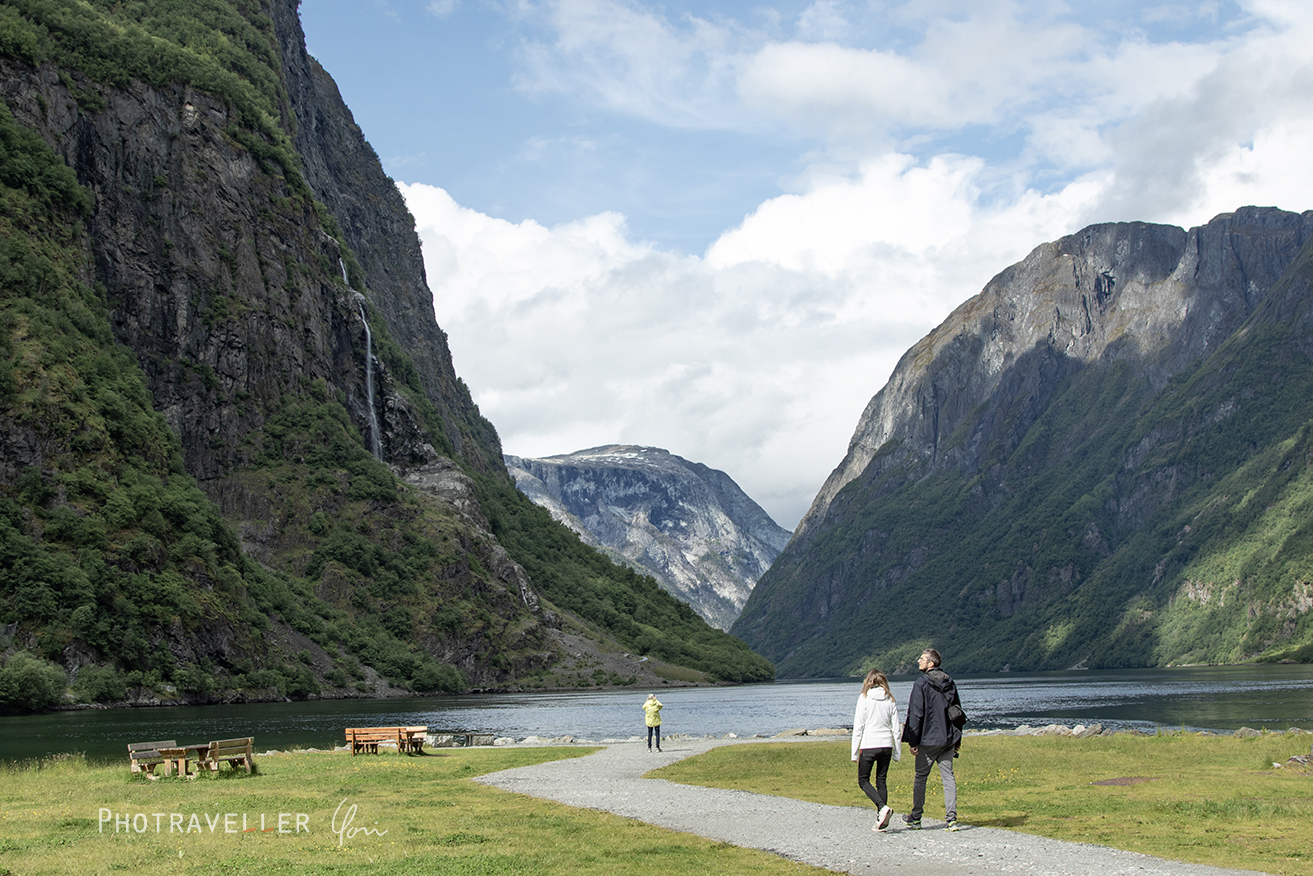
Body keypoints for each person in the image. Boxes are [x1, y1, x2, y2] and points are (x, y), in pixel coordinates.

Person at [901, 648, 963, 831]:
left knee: (921, 777)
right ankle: (951, 819)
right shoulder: (950, 682)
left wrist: (913, 741)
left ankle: (916, 817)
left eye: (922, 658)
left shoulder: (921, 684)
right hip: (948, 738)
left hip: (928, 740)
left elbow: (916, 714)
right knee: (948, 778)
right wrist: (957, 740)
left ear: (931, 663)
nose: (918, 660)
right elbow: (957, 712)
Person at [851, 668, 901, 831]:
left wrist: (854, 751)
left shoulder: (864, 698)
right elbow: (896, 728)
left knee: (863, 780)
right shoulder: (890, 699)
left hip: (869, 744)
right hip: (886, 744)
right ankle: (881, 818)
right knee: (881, 780)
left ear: (869, 682)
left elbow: (859, 726)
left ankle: (882, 808)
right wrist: (897, 751)